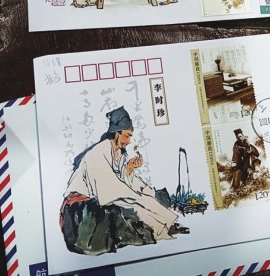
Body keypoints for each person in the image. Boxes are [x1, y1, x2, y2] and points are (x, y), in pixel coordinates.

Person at [59, 106, 188, 256]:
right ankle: (164, 227)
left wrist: (129, 169)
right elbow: (109, 190)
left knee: (141, 201)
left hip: (100, 201)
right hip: (80, 213)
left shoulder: (119, 155)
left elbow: (121, 183)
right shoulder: (97, 153)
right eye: (127, 136)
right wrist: (139, 197)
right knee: (132, 208)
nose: (129, 141)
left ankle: (168, 225)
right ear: (116, 133)